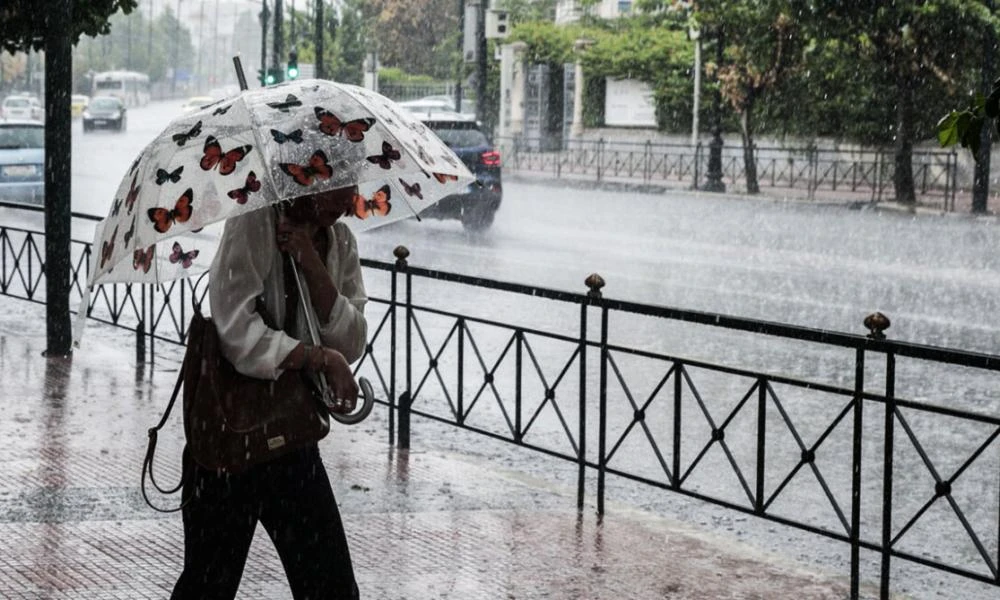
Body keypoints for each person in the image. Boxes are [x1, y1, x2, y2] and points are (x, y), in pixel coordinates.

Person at [170, 184, 367, 600]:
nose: (351, 200)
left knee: (330, 586)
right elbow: (235, 330)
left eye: (355, 185)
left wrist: (310, 261)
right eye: (341, 188)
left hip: (291, 439)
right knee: (208, 585)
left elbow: (351, 342)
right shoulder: (254, 221)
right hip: (227, 441)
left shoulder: (340, 240)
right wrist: (316, 358)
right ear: (314, 179)